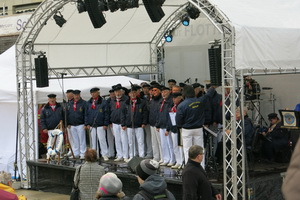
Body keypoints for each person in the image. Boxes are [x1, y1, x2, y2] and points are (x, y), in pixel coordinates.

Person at [176, 85, 216, 168]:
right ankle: (201, 167)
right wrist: (213, 87)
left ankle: (189, 168)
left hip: (187, 129)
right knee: (200, 149)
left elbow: (178, 120)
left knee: (187, 150)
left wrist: (181, 125)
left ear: (184, 94)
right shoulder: (200, 101)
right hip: (198, 128)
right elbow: (208, 95)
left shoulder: (181, 105)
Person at [121, 86, 148, 161]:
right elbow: (123, 114)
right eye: (131, 93)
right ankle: (132, 156)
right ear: (129, 94)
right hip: (129, 125)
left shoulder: (141, 102)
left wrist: (144, 122)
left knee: (140, 141)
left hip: (139, 125)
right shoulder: (126, 103)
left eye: (134, 92)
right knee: (131, 142)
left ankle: (141, 156)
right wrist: (123, 124)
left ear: (136, 93)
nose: (133, 94)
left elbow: (144, 113)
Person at [86, 87, 110, 161]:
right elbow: (86, 114)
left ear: (98, 93)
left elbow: (106, 113)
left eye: (94, 92)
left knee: (102, 139)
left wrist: (105, 123)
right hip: (92, 124)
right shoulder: (89, 103)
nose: (93, 94)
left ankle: (105, 154)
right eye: (92, 93)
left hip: (100, 124)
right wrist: (87, 123)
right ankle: (95, 154)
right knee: (93, 140)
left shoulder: (103, 102)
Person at [156, 86, 175, 166]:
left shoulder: (170, 102)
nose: (164, 94)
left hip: (168, 126)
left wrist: (168, 128)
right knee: (163, 144)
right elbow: (159, 114)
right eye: (162, 92)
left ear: (169, 92)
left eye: (165, 92)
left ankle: (172, 159)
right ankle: (166, 158)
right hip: (162, 125)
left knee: (170, 144)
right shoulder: (161, 102)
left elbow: (170, 116)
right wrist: (158, 124)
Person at [109, 84, 129, 162]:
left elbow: (127, 112)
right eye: (116, 92)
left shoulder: (126, 100)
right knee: (117, 139)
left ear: (122, 91)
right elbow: (111, 111)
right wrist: (111, 120)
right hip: (115, 122)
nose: (118, 93)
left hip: (122, 123)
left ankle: (125, 155)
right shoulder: (113, 100)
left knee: (124, 139)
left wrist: (125, 123)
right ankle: (119, 154)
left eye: (119, 91)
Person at [166, 92, 184, 169]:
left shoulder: (182, 106)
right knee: (175, 146)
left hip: (180, 128)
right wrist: (168, 128)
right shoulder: (173, 106)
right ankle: (178, 161)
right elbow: (170, 118)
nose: (174, 100)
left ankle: (182, 161)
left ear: (180, 98)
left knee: (181, 146)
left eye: (175, 98)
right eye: (173, 98)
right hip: (173, 128)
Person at [67, 90, 87, 159]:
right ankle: (76, 153)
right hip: (72, 124)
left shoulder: (83, 103)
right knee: (75, 140)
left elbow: (86, 114)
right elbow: (68, 114)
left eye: (78, 95)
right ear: (73, 95)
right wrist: (68, 123)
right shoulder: (70, 103)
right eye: (75, 95)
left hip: (80, 123)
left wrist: (85, 123)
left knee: (82, 139)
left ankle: (83, 153)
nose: (77, 96)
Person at [148, 85, 163, 163]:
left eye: (155, 90)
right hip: (152, 123)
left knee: (160, 141)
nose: (153, 92)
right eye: (152, 90)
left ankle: (162, 157)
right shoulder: (152, 100)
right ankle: (156, 156)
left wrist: (158, 123)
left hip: (158, 124)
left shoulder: (161, 100)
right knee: (154, 141)